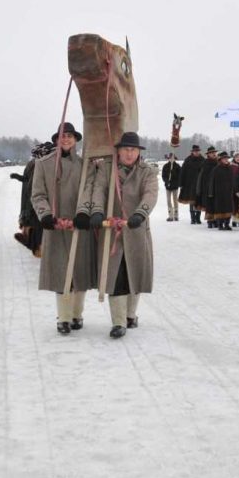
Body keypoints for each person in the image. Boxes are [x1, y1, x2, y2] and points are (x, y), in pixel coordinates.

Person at [81, 131, 158, 339]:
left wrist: (140, 214)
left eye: (133, 150)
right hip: (111, 231)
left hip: (136, 229)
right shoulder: (107, 169)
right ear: (119, 151)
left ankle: (131, 315)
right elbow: (99, 190)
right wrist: (96, 211)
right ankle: (118, 322)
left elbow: (150, 194)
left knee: (136, 273)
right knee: (116, 275)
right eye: (126, 149)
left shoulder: (147, 172)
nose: (130, 153)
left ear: (138, 152)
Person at [31, 122, 97, 334]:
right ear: (56, 140)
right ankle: (64, 318)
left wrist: (83, 212)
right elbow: (38, 195)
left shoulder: (86, 164)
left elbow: (90, 190)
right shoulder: (44, 164)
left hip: (80, 224)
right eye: (62, 136)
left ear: (76, 139)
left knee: (81, 272)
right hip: (56, 227)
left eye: (70, 136)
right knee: (61, 272)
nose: (66, 139)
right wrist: (46, 214)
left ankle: (77, 314)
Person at [206, 151, 236, 230]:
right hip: (219, 193)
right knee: (220, 208)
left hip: (228, 192)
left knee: (229, 208)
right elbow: (211, 181)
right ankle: (220, 224)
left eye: (227, 158)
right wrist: (211, 192)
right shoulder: (216, 169)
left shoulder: (230, 169)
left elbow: (233, 180)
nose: (226, 160)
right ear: (220, 160)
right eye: (224, 158)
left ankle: (227, 224)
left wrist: (235, 190)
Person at [178, 144, 204, 224]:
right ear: (192, 152)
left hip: (200, 183)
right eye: (195, 151)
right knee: (192, 201)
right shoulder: (188, 160)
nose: (196, 152)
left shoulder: (203, 160)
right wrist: (181, 183)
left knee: (199, 201)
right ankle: (192, 218)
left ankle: (198, 217)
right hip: (189, 183)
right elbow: (183, 172)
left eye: (198, 151)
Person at [196, 147, 219, 228]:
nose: (213, 154)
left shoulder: (218, 162)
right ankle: (210, 220)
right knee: (209, 205)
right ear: (208, 154)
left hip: (217, 186)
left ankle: (216, 220)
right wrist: (199, 189)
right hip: (206, 187)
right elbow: (200, 177)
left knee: (216, 204)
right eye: (211, 152)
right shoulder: (205, 163)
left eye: (214, 152)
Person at [161, 152, 181, 221]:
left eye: (172, 158)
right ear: (168, 159)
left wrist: (174, 173)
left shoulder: (177, 166)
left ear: (174, 159)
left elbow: (179, 176)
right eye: (170, 158)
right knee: (168, 201)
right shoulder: (165, 166)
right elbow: (163, 176)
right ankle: (170, 216)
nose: (171, 159)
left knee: (175, 200)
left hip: (175, 186)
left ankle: (176, 215)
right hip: (168, 186)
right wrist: (167, 181)